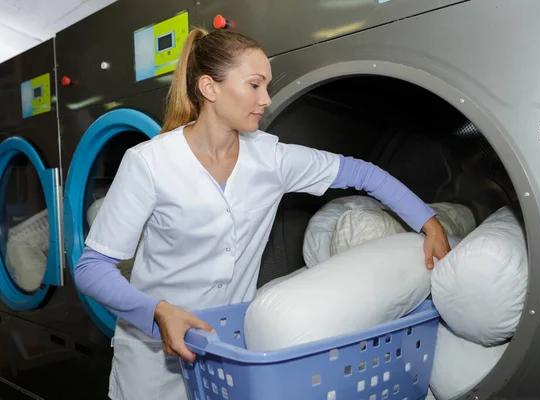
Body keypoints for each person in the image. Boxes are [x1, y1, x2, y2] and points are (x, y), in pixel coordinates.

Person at [74, 27, 451, 400]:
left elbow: (362, 172)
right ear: (209, 88)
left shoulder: (272, 158)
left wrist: (428, 222)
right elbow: (92, 268)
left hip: (227, 351)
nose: (266, 99)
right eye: (255, 85)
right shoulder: (149, 163)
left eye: (267, 86)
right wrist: (157, 312)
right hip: (152, 358)